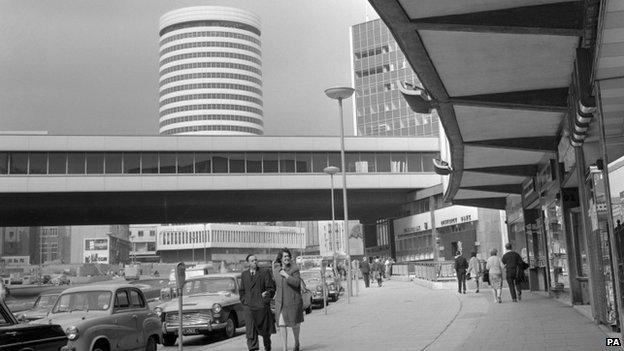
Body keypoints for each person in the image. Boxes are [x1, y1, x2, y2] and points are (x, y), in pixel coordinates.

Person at [240, 254, 276, 351]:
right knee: (251, 331)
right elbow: (242, 291)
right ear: (248, 263)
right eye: (252, 261)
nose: (255, 262)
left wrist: (265, 298)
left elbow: (271, 289)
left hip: (261, 307)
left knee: (265, 331)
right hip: (249, 307)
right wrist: (245, 301)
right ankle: (253, 348)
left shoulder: (264, 272)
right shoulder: (244, 275)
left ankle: (267, 347)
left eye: (256, 260)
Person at [273, 248, 304, 351]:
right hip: (280, 302)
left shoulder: (294, 269)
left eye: (288, 256)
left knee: (295, 325)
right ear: (281, 258)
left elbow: (297, 283)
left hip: (293, 302)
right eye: (284, 256)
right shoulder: (276, 270)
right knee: (282, 324)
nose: (286, 258)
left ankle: (296, 342)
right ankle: (284, 348)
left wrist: (286, 275)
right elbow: (275, 285)